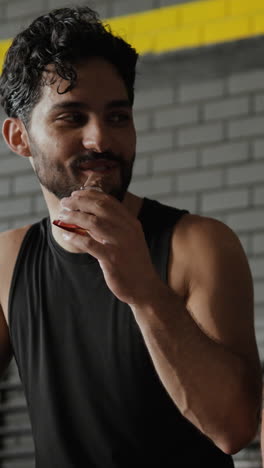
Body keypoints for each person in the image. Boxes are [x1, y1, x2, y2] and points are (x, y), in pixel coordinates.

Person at [0, 6, 261, 468]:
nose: (100, 139)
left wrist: (144, 292)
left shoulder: (198, 245)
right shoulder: (8, 260)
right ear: (19, 137)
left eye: (117, 117)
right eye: (71, 118)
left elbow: (235, 429)